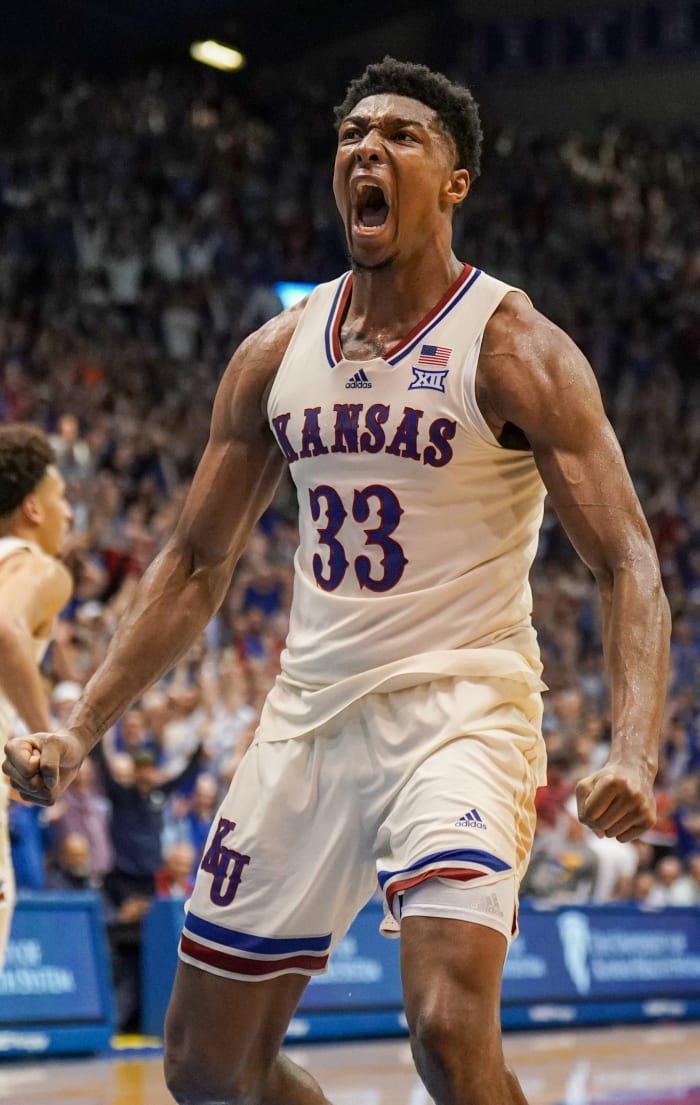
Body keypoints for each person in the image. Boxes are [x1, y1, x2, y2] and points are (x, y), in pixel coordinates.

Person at [3, 57, 670, 1105]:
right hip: (307, 719)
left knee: (449, 1032)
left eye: (403, 136)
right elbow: (193, 560)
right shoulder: (276, 351)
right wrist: (79, 728)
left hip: (460, 712)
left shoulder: (512, 347)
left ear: (454, 182)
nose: (368, 148)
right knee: (205, 1067)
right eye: (355, 132)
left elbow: (628, 557)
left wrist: (634, 745)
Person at [0, 423, 73, 967]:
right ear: (33, 509)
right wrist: (47, 736)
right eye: (62, 499)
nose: (69, 513)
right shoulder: (39, 567)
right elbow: (5, 628)